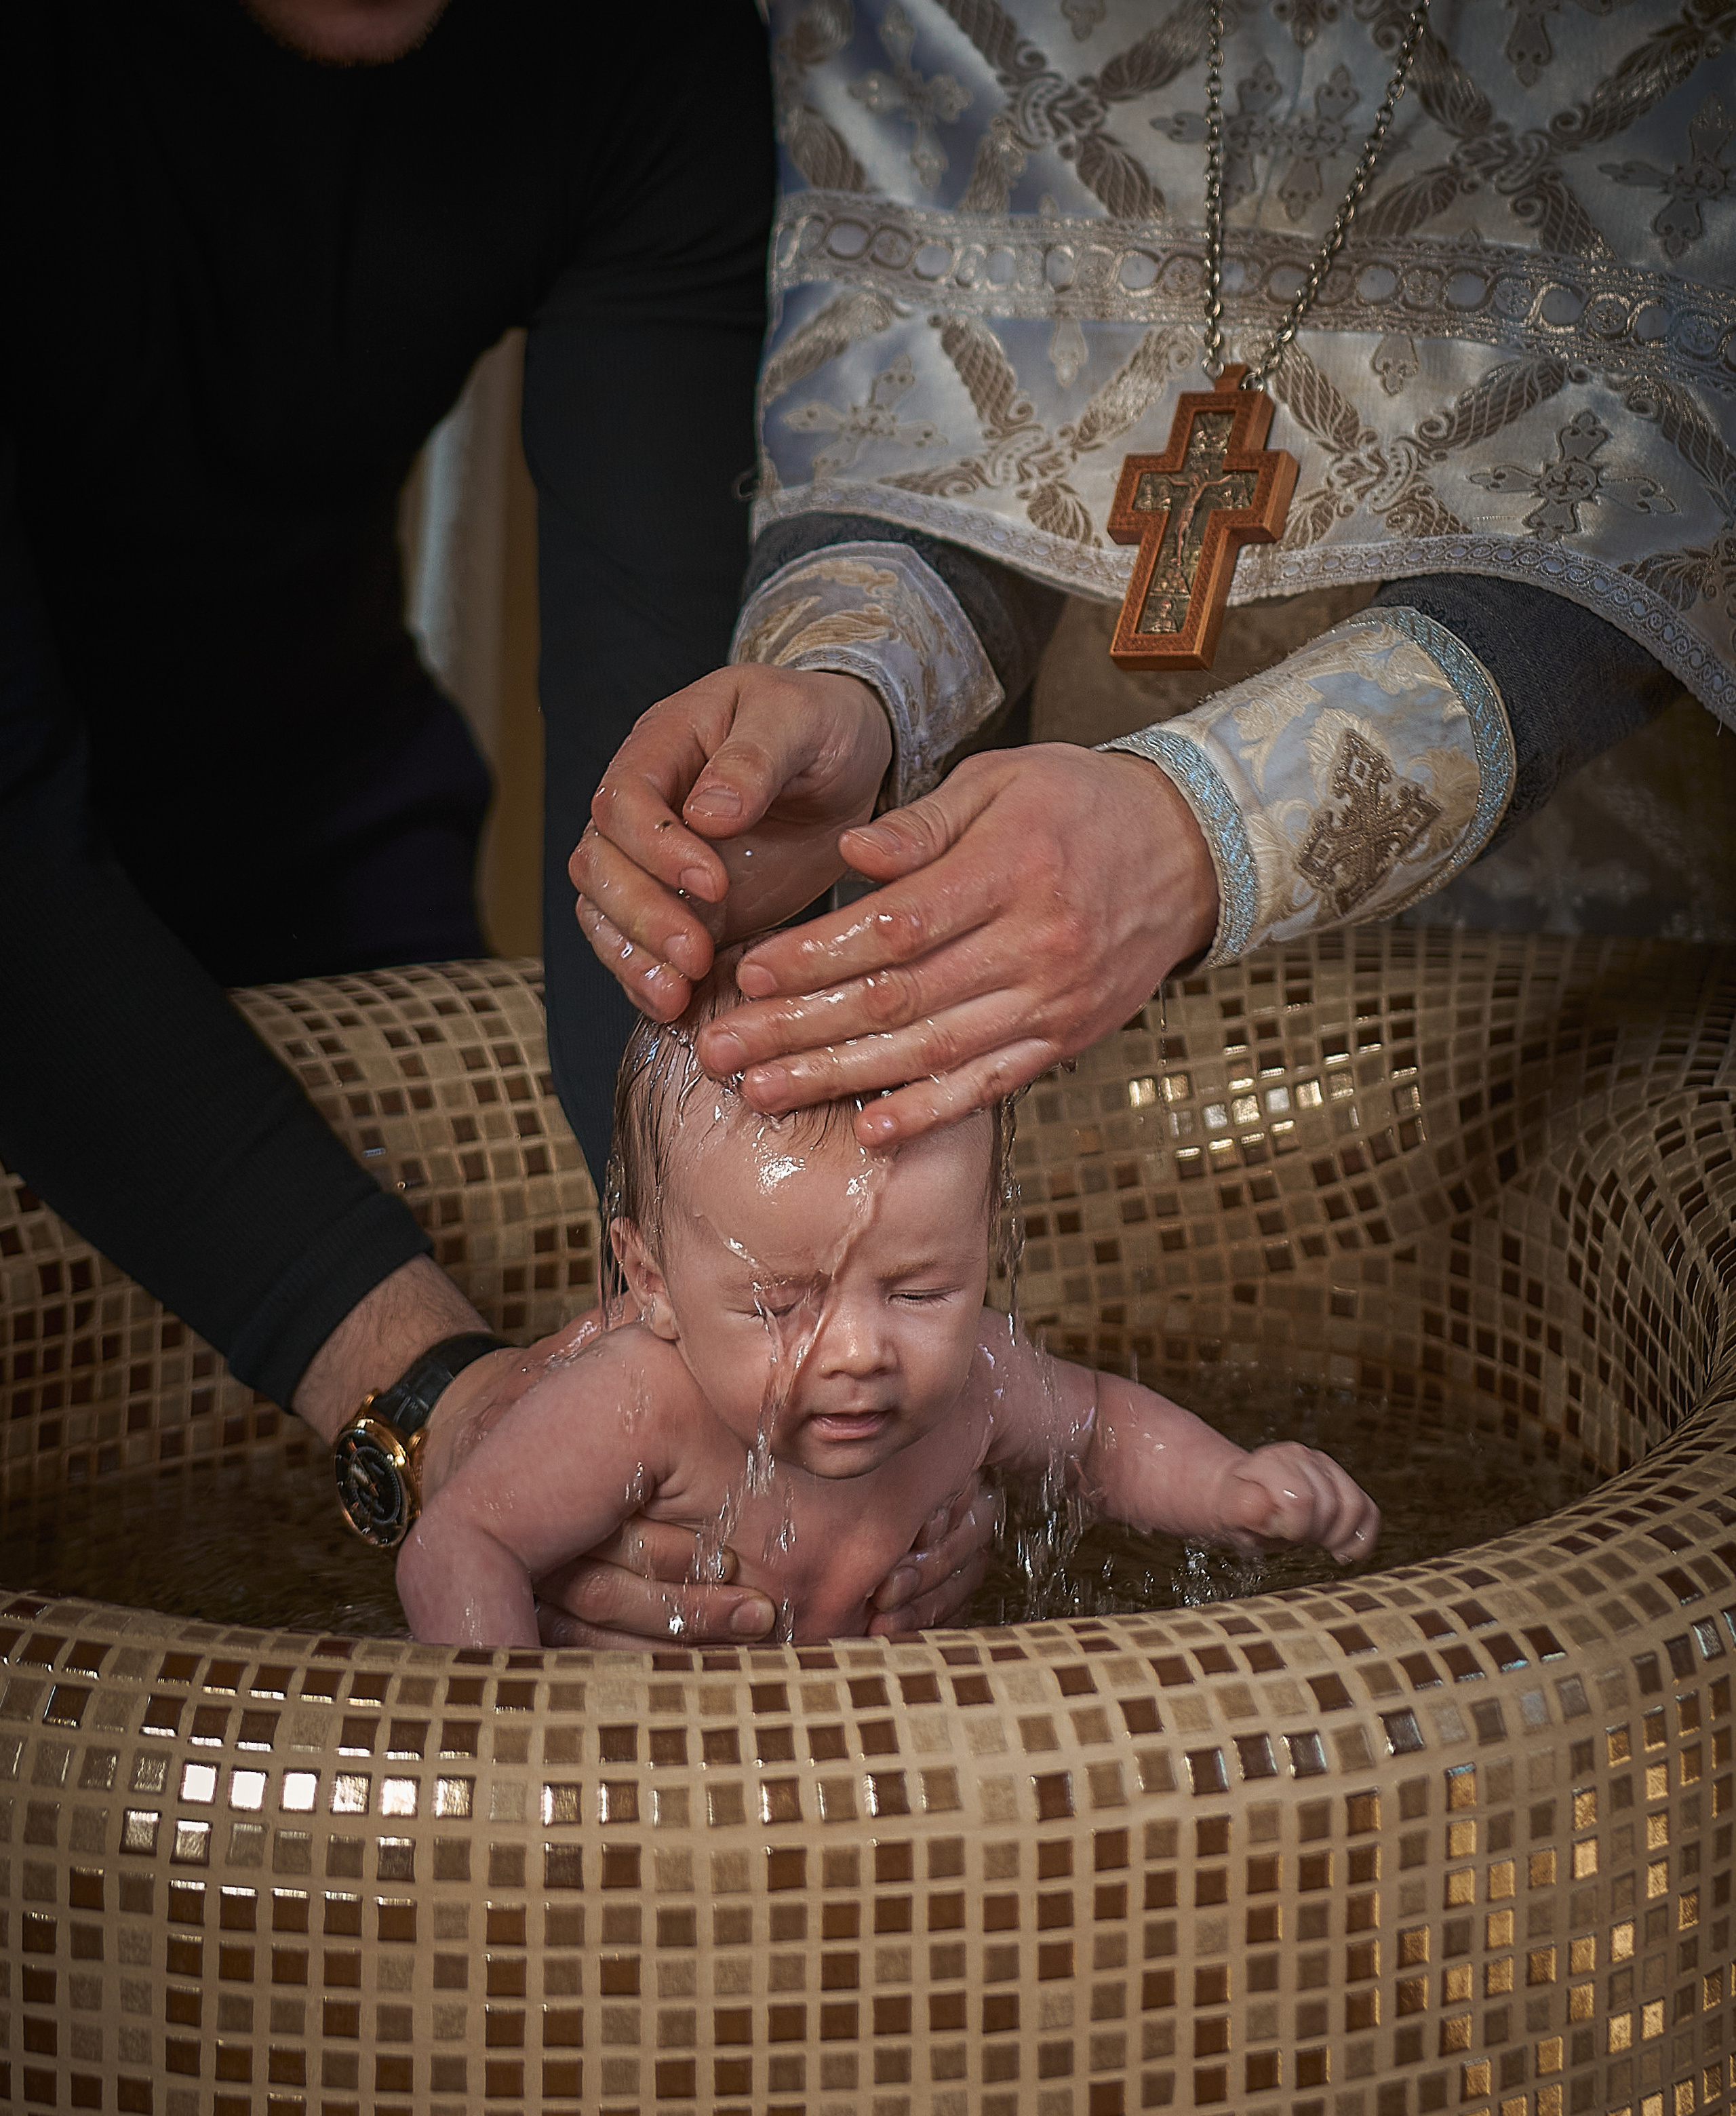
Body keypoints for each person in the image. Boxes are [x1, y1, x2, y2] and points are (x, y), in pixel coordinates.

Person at [0, 0, 987, 1641]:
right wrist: (430, 1397)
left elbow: (664, 801)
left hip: (322, 825)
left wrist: (729, 1413)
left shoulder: (639, 48)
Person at [572, 0, 1733, 1145]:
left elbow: (1653, 470)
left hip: (1566, 973)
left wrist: (1204, 828)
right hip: (1042, 971)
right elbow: (942, 401)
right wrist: (849, 678)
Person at [396, 974, 1379, 1646]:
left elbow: (1104, 1435)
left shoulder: (979, 1383)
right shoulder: (637, 1407)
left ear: (986, 1244)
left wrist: (1232, 1488)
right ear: (650, 1282)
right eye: (781, 1305)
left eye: (921, 1292)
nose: (861, 1350)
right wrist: (512, 1748)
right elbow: (459, 1542)